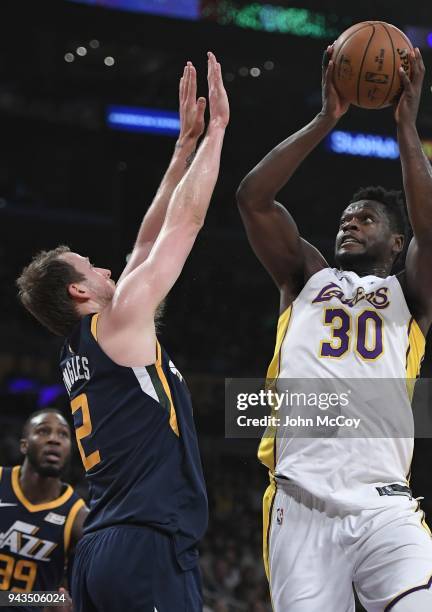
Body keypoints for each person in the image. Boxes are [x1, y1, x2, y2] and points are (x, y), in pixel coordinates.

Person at [236, 45, 432, 611]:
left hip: (386, 504)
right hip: (300, 503)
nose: (349, 224)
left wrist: (407, 126)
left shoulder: (411, 295)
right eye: (344, 218)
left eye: (366, 218)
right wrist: (326, 117)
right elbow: (254, 198)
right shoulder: (304, 275)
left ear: (395, 241)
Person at [16, 52, 229, 611]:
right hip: (144, 546)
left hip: (101, 550)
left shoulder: (85, 347)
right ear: (79, 293)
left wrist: (182, 148)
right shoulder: (117, 325)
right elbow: (185, 223)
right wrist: (218, 133)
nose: (109, 269)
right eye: (93, 268)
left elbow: (141, 248)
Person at [0, 409, 87, 612]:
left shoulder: (78, 517)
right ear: (24, 445)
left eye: (63, 434)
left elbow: (77, 600)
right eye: (43, 431)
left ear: (70, 449)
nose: (54, 440)